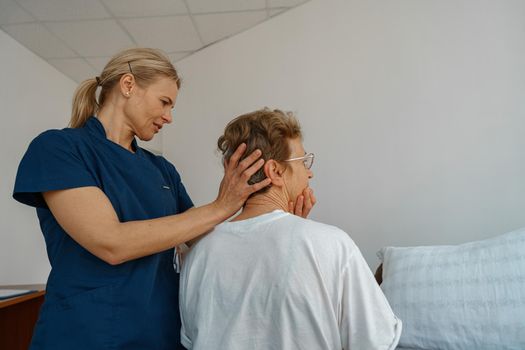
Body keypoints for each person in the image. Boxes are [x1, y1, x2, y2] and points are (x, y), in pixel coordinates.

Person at [12, 48, 314, 349]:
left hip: (161, 335)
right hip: (85, 335)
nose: (169, 117)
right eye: (164, 102)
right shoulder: (60, 149)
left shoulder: (162, 170)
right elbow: (111, 242)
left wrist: (282, 231)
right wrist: (222, 206)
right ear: (128, 85)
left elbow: (206, 246)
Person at [179, 108, 402, 350]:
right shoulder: (332, 245)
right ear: (275, 171)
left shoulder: (198, 254)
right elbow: (375, 341)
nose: (309, 172)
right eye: (304, 161)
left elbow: (193, 339)